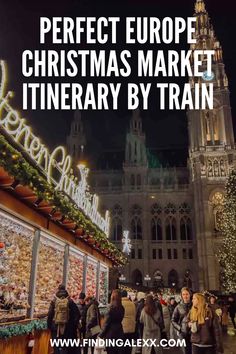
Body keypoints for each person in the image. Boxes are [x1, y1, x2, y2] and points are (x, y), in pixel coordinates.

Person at [47, 284, 81, 354]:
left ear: (58, 289)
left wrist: (50, 326)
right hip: (69, 329)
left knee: (57, 346)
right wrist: (73, 325)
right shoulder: (70, 301)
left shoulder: (54, 301)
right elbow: (78, 314)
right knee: (67, 347)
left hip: (56, 329)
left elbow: (50, 315)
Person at [99, 289, 125, 354]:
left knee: (110, 351)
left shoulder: (110, 309)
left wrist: (100, 335)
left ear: (112, 297)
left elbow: (107, 324)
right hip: (119, 332)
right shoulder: (122, 308)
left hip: (110, 334)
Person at [171, 287, 192, 354]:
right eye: (183, 294)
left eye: (187, 294)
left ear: (190, 294)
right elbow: (173, 320)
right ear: (181, 295)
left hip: (194, 333)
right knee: (185, 351)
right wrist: (180, 329)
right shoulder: (178, 306)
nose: (185, 296)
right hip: (183, 334)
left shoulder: (194, 305)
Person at [121, 290, 136, 354]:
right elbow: (134, 314)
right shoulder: (132, 304)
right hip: (132, 328)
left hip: (123, 328)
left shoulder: (120, 303)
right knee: (129, 347)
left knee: (122, 347)